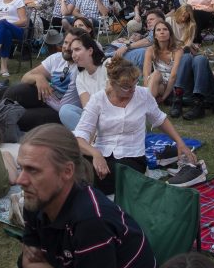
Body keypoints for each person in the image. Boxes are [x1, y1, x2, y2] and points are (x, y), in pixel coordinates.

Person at [16, 124, 156, 268]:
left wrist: (39, 264)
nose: (20, 180)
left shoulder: (90, 221)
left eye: (33, 170)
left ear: (67, 171)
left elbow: (34, 264)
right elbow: (28, 261)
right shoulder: (36, 199)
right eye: (21, 168)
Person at [74, 57, 196, 195]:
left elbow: (160, 119)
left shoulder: (142, 94)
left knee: (112, 174)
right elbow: (80, 136)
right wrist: (95, 153)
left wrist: (180, 143)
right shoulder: (97, 99)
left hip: (131, 155)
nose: (133, 90)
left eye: (135, 84)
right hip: (102, 150)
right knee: (78, 168)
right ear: (112, 84)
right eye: (126, 87)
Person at [1, 30, 79, 131]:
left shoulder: (82, 67)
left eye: (72, 45)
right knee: (15, 91)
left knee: (20, 117)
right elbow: (25, 77)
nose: (67, 47)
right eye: (66, 42)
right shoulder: (56, 58)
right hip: (45, 97)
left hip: (60, 112)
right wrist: (39, 77)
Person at [167, 4, 214, 120]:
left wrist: (185, 47)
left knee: (199, 58)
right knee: (187, 57)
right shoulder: (169, 21)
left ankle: (198, 103)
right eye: (183, 15)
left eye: (187, 17)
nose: (184, 18)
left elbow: (187, 44)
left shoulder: (191, 25)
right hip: (177, 51)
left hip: (183, 50)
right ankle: (178, 99)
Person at [58, 31, 109, 130]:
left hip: (115, 117)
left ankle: (91, 139)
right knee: (65, 110)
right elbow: (87, 109)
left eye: (77, 49)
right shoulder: (80, 77)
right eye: (72, 51)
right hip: (96, 121)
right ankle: (91, 138)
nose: (73, 55)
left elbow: (115, 100)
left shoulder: (107, 65)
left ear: (90, 51)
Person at [142, 20, 181, 105]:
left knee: (156, 74)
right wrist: (147, 88)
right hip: (157, 83)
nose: (162, 32)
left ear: (170, 33)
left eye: (165, 29)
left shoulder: (177, 50)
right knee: (156, 74)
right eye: (158, 30)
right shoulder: (150, 50)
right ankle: (148, 101)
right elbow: (146, 75)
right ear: (155, 35)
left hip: (172, 85)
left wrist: (164, 98)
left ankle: (147, 103)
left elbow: (173, 76)